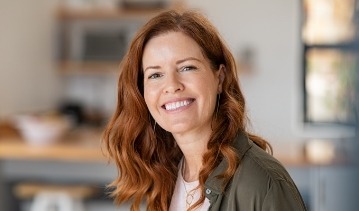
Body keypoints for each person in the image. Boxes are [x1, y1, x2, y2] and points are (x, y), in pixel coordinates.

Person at [102, 9, 307, 211]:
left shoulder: (262, 182)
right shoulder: (164, 174)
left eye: (187, 67)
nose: (172, 85)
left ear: (220, 77)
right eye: (155, 75)